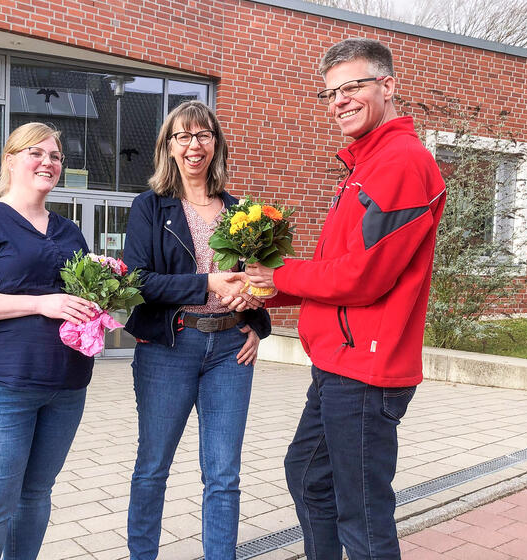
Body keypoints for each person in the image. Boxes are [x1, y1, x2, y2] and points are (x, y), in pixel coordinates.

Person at [243, 39, 447, 559]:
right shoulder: (364, 165)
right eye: (331, 92)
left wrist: (278, 274)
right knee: (309, 477)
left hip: (365, 369)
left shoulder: (400, 162)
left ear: (388, 86)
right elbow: (337, 273)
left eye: (352, 87)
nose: (339, 101)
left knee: (362, 510)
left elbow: (365, 277)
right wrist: (264, 290)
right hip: (339, 363)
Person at [0, 122, 97, 560]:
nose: (48, 162)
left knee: (35, 497)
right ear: (10, 160)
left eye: (56, 156)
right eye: (36, 152)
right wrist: (41, 304)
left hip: (63, 387)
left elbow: (76, 298)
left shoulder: (69, 233)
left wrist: (98, 311)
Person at [122, 100, 271, 560]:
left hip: (230, 349)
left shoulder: (241, 210)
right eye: (183, 136)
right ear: (168, 147)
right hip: (171, 345)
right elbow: (138, 280)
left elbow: (262, 277)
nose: (193, 145)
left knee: (224, 473)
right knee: (153, 467)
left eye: (203, 135)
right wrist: (205, 282)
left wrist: (255, 321)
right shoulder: (150, 207)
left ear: (216, 144)